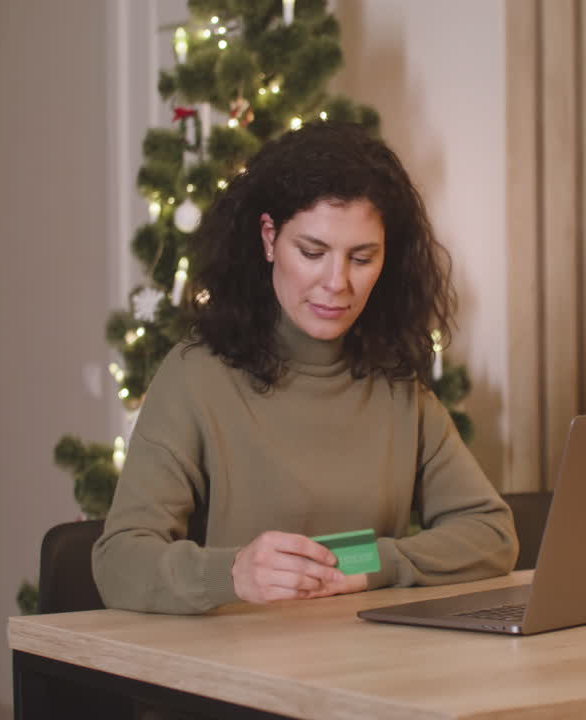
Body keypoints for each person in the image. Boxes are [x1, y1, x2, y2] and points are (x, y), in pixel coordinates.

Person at [92, 121, 518, 614]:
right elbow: (118, 560)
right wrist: (232, 574)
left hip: (369, 672)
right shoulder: (196, 376)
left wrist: (371, 564)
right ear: (269, 238)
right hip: (233, 672)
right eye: (312, 252)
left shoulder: (396, 381)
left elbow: (491, 534)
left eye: (362, 258)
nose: (337, 283)